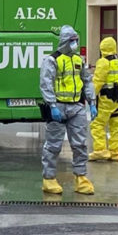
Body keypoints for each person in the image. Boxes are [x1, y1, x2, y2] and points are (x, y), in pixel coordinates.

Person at [39, 25, 97, 195]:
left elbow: (87, 81)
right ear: (65, 41)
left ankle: (81, 177)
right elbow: (46, 83)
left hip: (76, 107)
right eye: (72, 41)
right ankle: (48, 178)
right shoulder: (52, 60)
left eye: (76, 41)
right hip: (58, 106)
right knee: (53, 145)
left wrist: (92, 102)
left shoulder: (79, 60)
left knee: (80, 144)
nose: (75, 44)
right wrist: (52, 105)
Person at [89, 37, 118, 161]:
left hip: (107, 99)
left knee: (98, 124)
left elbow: (98, 81)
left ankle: (100, 150)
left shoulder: (103, 62)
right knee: (116, 125)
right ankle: (115, 152)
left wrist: (91, 97)